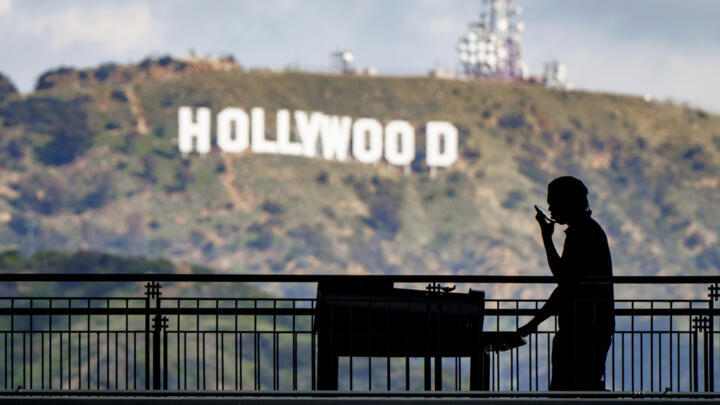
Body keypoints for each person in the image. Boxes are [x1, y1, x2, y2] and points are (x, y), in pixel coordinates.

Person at [518, 176, 614, 391]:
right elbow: (567, 284)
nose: (550, 208)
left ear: (567, 202)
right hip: (592, 326)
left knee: (566, 391)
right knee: (583, 387)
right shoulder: (588, 231)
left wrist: (546, 237)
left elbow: (564, 280)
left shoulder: (582, 234)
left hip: (582, 330)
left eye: (553, 201)